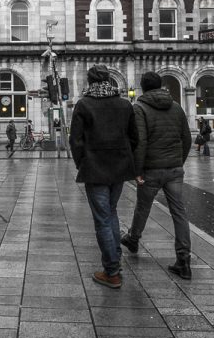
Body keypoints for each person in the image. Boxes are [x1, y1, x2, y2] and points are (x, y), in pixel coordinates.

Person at [69, 65, 138, 289]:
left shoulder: (84, 104)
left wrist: (83, 162)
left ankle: (111, 271)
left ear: (89, 82)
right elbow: (134, 137)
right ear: (108, 80)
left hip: (95, 168)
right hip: (119, 167)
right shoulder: (124, 104)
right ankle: (115, 260)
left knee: (102, 219)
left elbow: (75, 140)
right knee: (111, 211)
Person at [121, 72, 193, 279]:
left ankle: (134, 239)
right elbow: (186, 138)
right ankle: (183, 260)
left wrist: (137, 170)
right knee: (179, 213)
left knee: (143, 207)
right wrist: (179, 161)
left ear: (143, 88)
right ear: (160, 85)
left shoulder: (140, 108)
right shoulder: (176, 107)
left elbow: (140, 142)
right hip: (174, 170)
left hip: (151, 169)